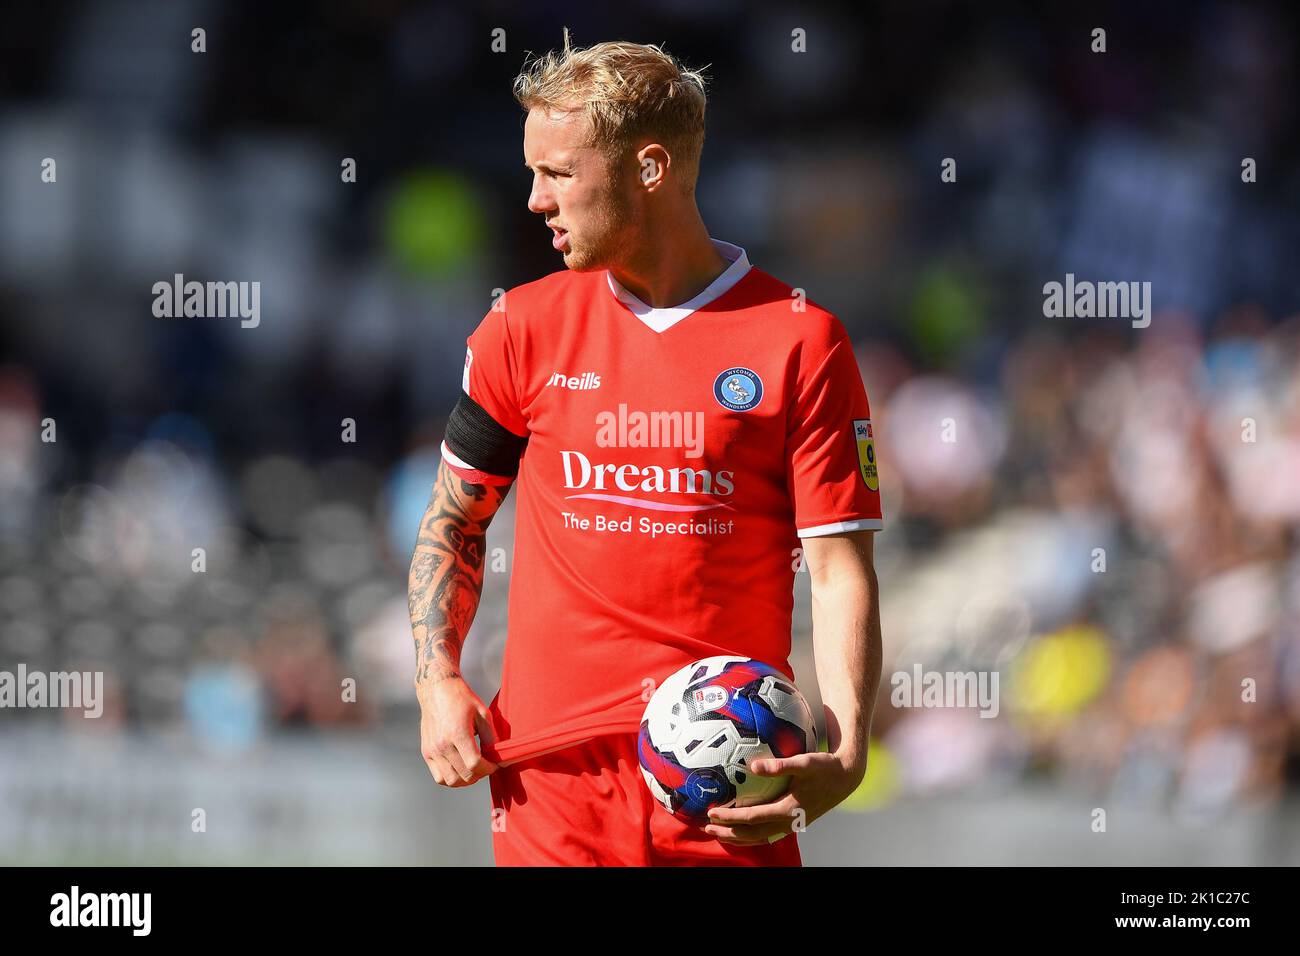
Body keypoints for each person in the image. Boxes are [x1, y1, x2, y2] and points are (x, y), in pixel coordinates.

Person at [408, 36, 884, 866]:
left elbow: (841, 569)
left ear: (650, 168)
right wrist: (437, 679)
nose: (533, 200)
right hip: (548, 783)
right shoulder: (520, 328)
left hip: (733, 788)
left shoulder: (802, 343)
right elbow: (455, 522)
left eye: (558, 173)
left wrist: (845, 750)